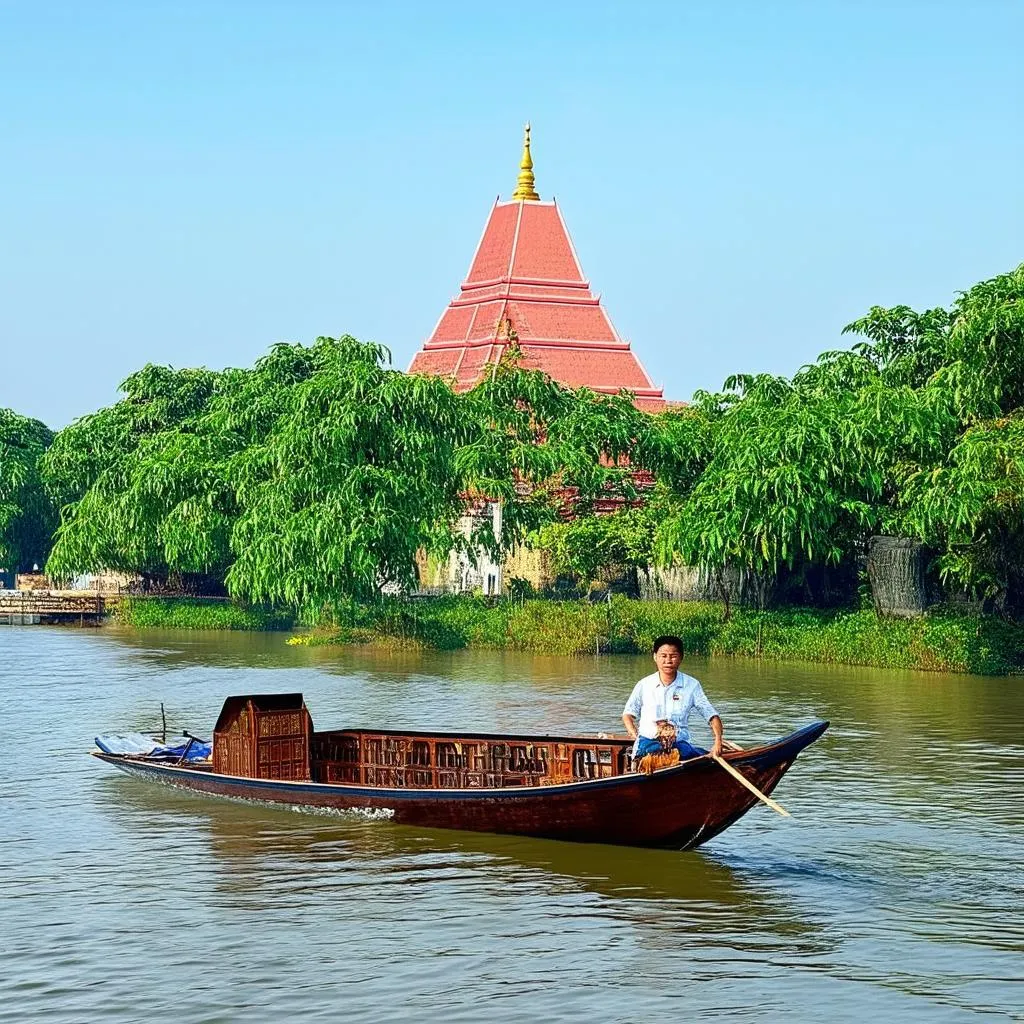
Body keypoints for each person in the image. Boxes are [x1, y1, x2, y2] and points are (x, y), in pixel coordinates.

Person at [621, 635, 724, 762]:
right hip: (648, 745)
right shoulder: (644, 685)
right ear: (655, 657)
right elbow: (628, 715)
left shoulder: (691, 685)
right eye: (663, 656)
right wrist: (635, 734)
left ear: (681, 658)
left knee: (704, 757)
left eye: (673, 656)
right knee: (649, 756)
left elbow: (712, 715)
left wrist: (718, 741)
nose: (668, 661)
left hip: (681, 747)